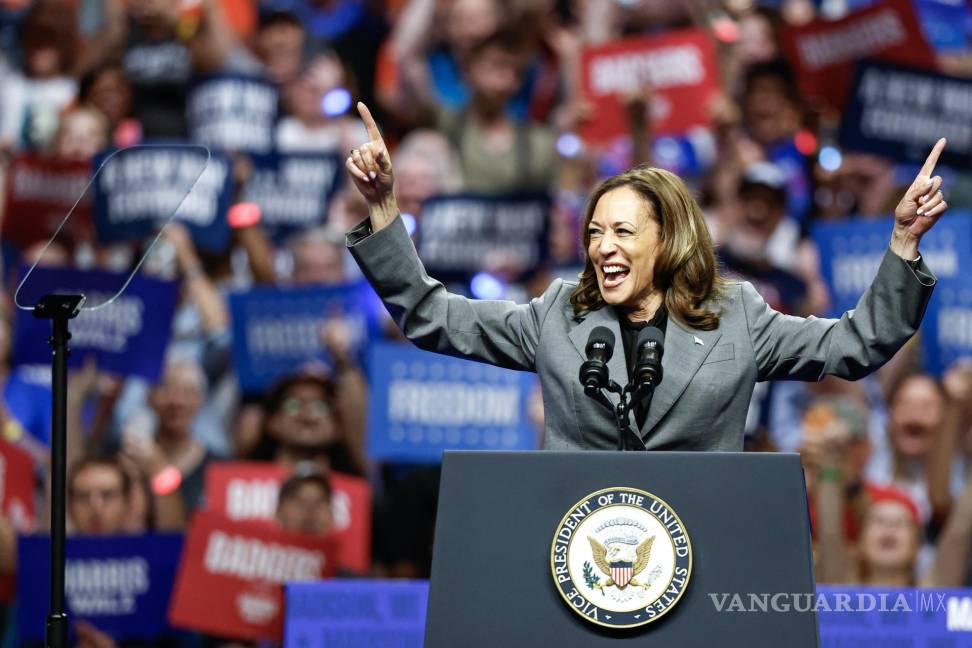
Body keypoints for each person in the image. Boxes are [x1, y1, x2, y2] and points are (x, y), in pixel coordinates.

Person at [345, 101, 946, 451]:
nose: (602, 248)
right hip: (575, 557)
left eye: (623, 233)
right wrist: (383, 208)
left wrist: (901, 244)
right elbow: (430, 317)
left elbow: (855, 344)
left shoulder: (738, 316)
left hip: (698, 557)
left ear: (669, 240)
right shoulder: (558, 313)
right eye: (594, 233)